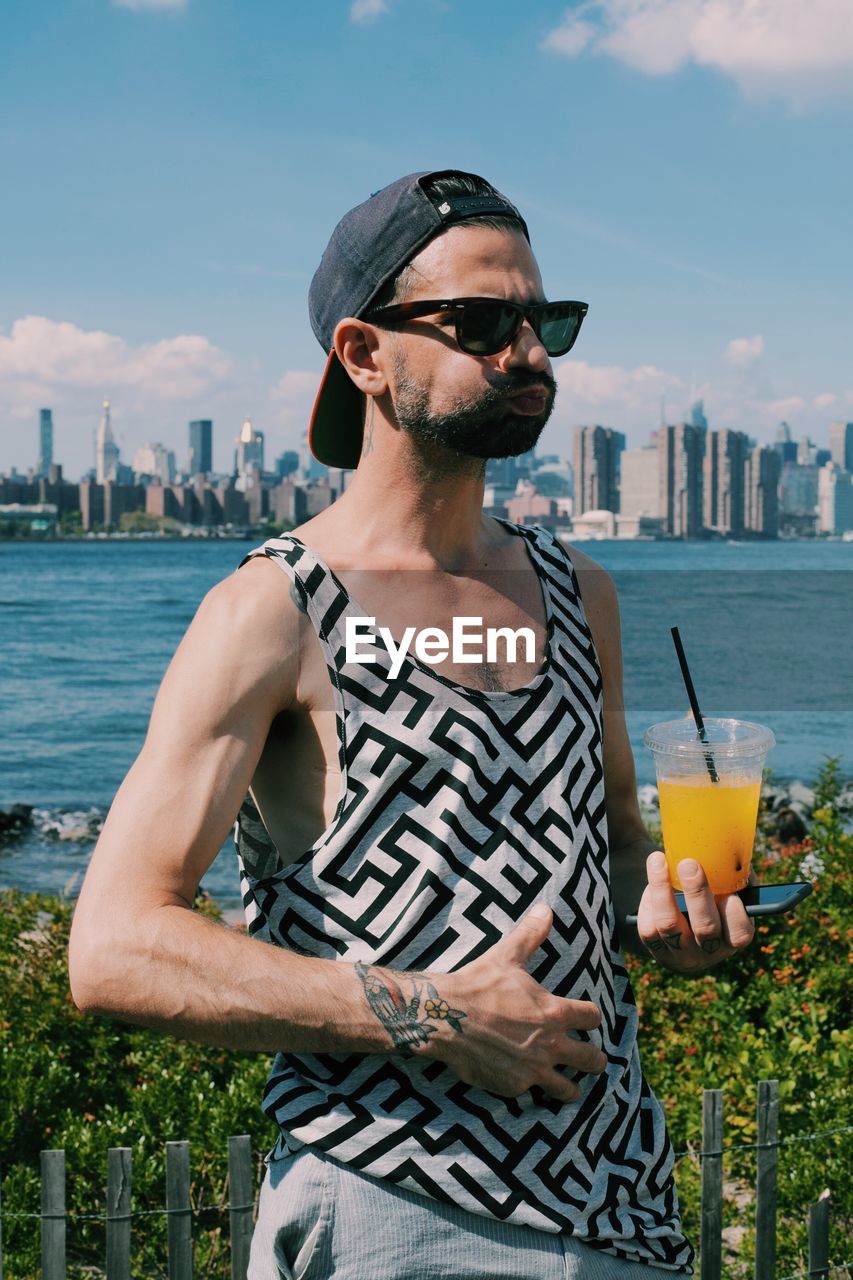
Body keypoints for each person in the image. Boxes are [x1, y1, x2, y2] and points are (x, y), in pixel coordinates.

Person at [69, 170, 756, 1279]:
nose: (528, 353)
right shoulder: (274, 609)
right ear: (363, 353)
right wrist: (437, 1012)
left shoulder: (581, 593)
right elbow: (112, 945)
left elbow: (617, 845)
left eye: (546, 323)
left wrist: (676, 907)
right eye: (484, 322)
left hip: (622, 1199)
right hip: (397, 1201)